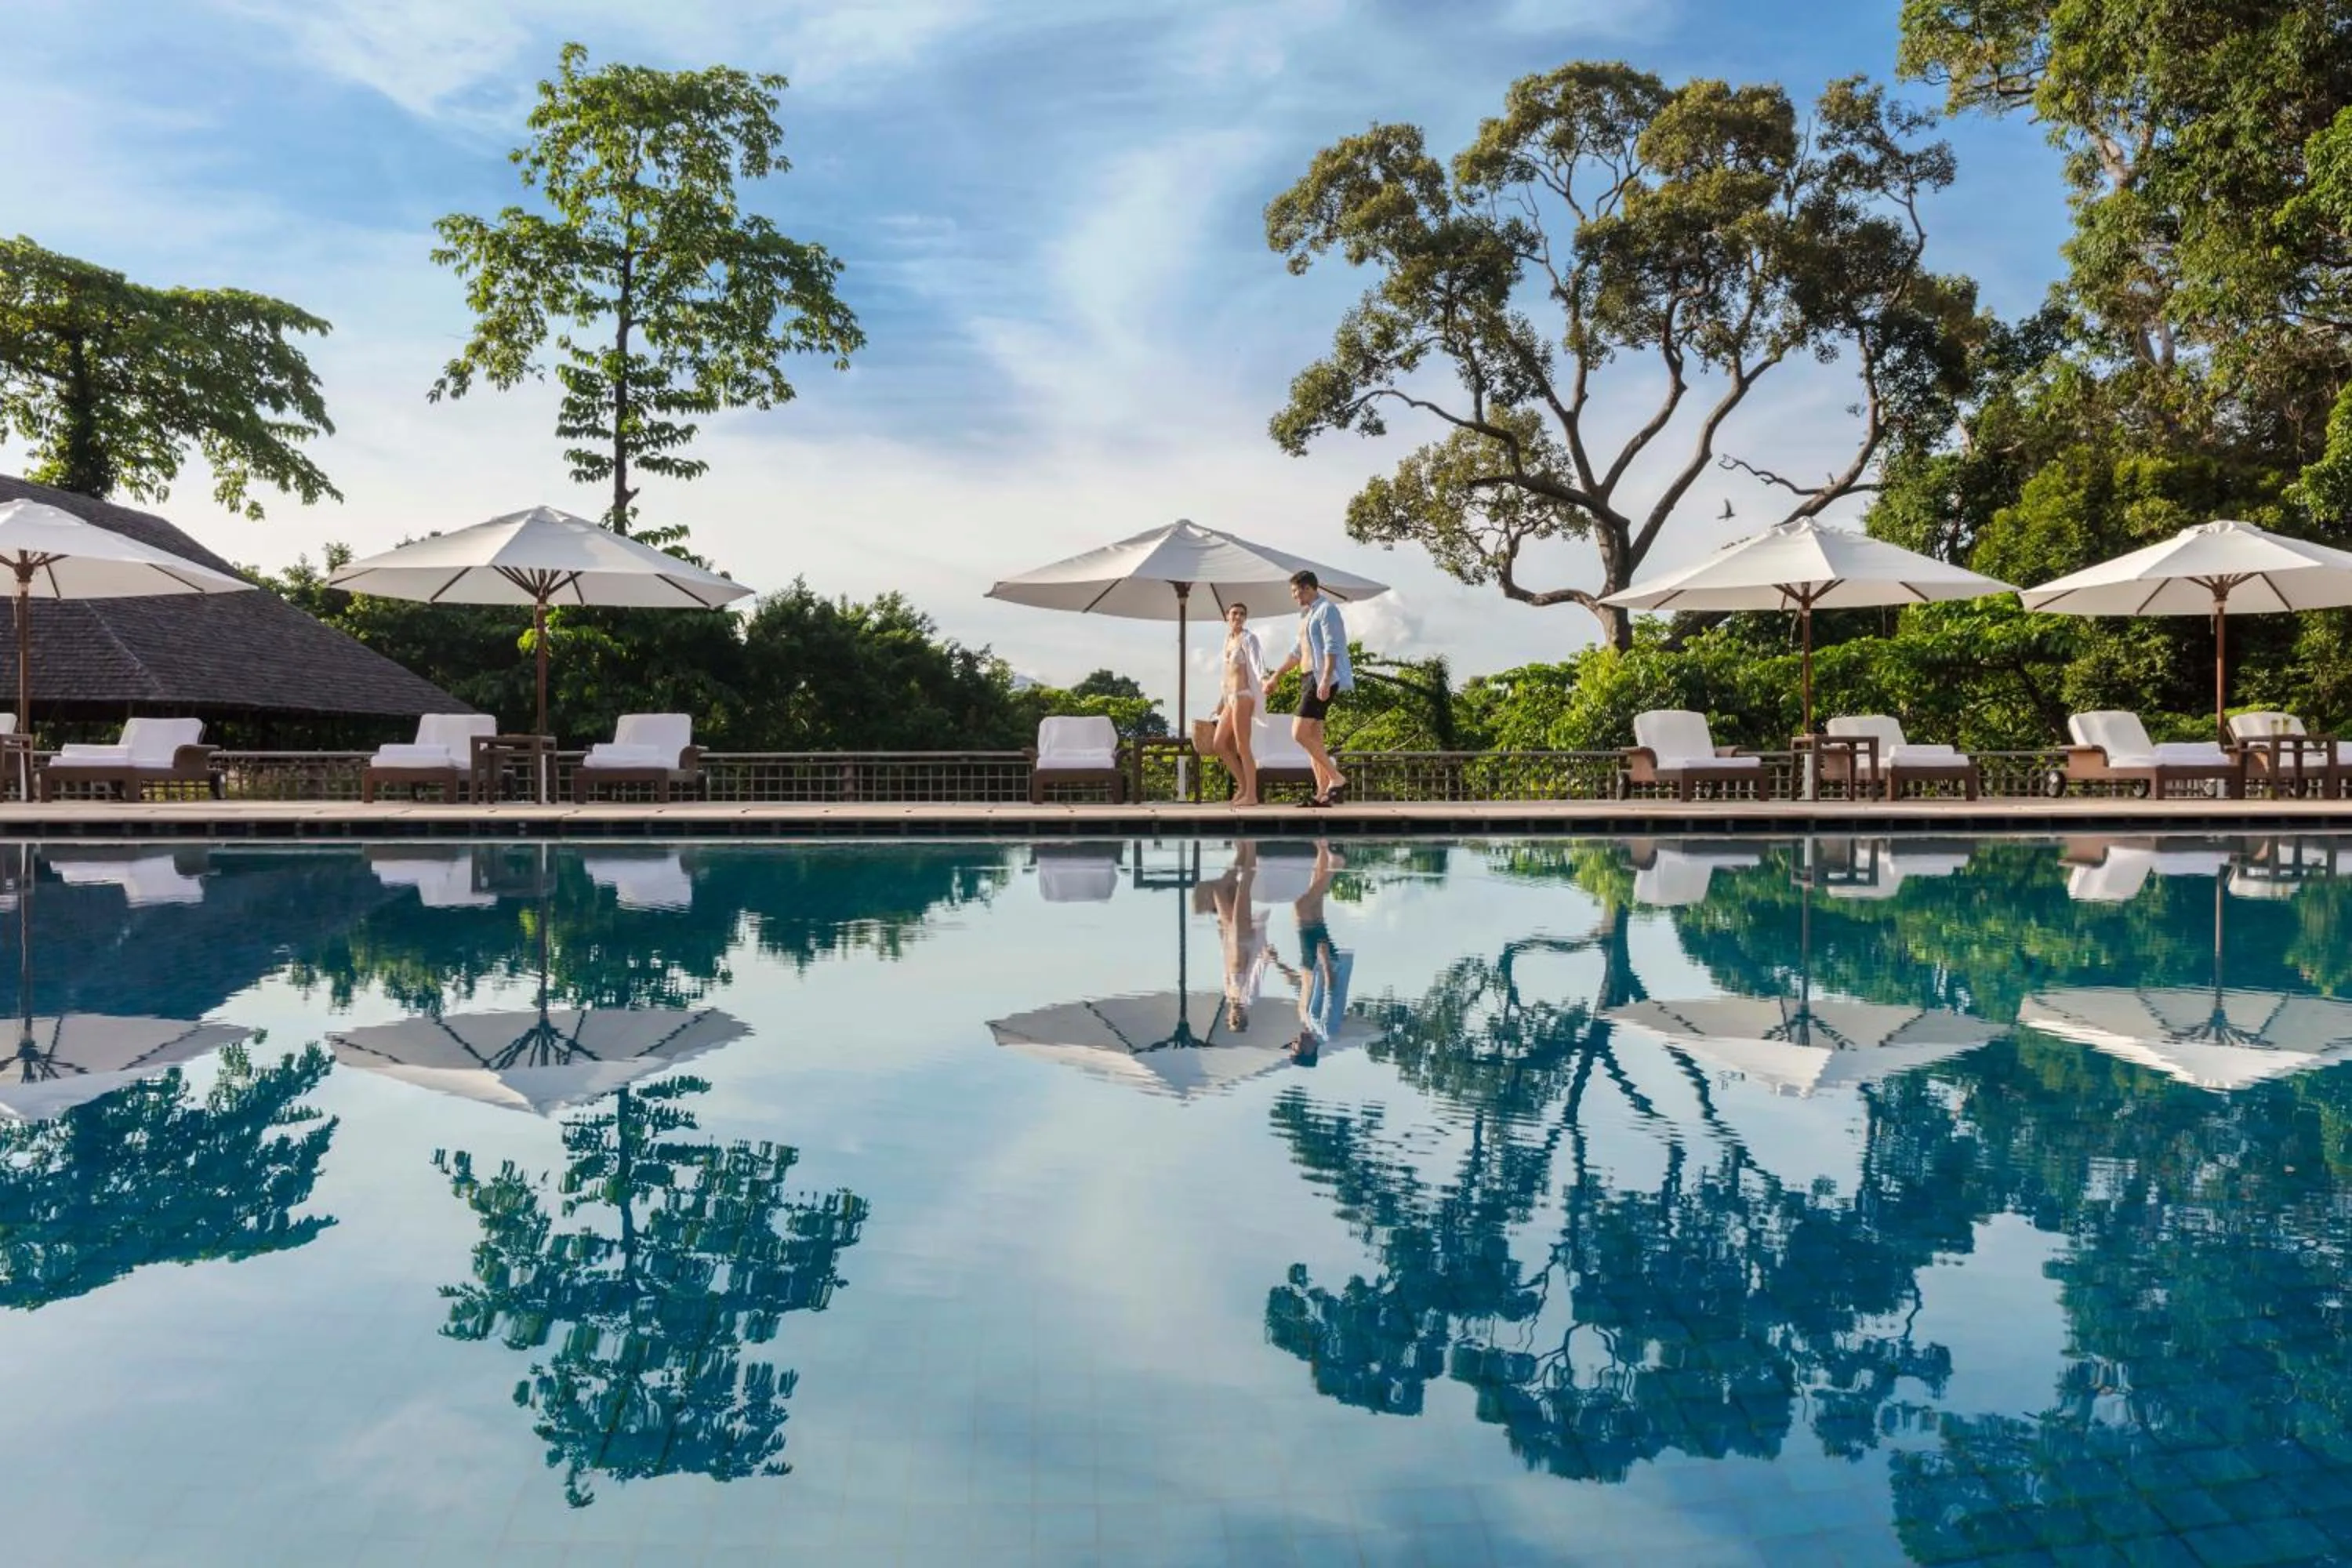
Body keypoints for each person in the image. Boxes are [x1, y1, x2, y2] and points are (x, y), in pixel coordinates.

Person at [1271, 569, 1352, 808]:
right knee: (1313, 738)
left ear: (1308, 588)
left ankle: (1337, 778)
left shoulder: (1328, 611)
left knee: (1299, 733)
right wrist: (1276, 676)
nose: (1294, 596)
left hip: (1320, 679)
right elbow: (1297, 653)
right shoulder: (1307, 615)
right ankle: (1322, 794)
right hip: (1307, 678)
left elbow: (1332, 647)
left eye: (1296, 591)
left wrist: (1326, 679)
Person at [1209, 602, 1267, 808]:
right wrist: (1220, 703)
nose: (1238, 617)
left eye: (1242, 614)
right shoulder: (1227, 640)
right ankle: (1243, 786)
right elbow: (1226, 676)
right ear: (1227, 616)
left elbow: (1258, 663)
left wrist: (1265, 680)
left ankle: (1252, 795)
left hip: (1243, 696)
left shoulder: (1249, 639)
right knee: (1219, 744)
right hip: (1230, 698)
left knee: (1243, 746)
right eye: (1234, 613)